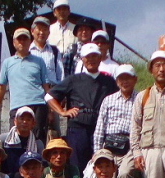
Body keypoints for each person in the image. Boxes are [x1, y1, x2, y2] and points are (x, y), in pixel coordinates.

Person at [47, 43, 118, 171]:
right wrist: (63, 112)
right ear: (82, 59)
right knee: (77, 166)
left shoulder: (109, 81)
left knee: (101, 164)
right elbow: (49, 97)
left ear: (100, 58)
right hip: (78, 129)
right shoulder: (73, 80)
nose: (91, 60)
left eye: (94, 56)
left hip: (101, 128)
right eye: (88, 57)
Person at [93, 64, 143, 178]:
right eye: (121, 78)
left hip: (131, 145)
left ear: (135, 80)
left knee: (124, 174)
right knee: (100, 174)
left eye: (128, 78)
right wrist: (97, 153)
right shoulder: (109, 100)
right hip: (109, 145)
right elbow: (100, 127)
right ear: (117, 81)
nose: (125, 81)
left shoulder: (141, 99)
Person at [0, 28, 50, 140]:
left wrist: (51, 110)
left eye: (25, 39)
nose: (22, 42)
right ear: (14, 42)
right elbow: (1, 88)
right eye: (19, 39)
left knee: (37, 139)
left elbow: (46, 87)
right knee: (15, 139)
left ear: (30, 42)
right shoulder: (7, 63)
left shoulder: (39, 61)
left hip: (38, 105)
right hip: (17, 106)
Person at [0, 106, 45, 178]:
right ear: (15, 121)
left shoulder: (38, 143)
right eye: (22, 119)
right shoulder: (3, 139)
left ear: (33, 124)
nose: (25, 122)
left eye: (28, 120)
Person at [30, 16, 64, 87]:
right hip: (34, 90)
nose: (42, 32)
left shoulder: (54, 51)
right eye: (39, 29)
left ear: (49, 33)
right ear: (32, 31)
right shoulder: (28, 51)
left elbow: (60, 74)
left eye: (45, 29)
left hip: (52, 89)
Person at [47, 0, 76, 66]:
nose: (62, 12)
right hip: (53, 63)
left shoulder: (76, 29)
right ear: (54, 13)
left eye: (64, 9)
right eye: (59, 9)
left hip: (71, 64)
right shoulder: (49, 29)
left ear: (69, 11)